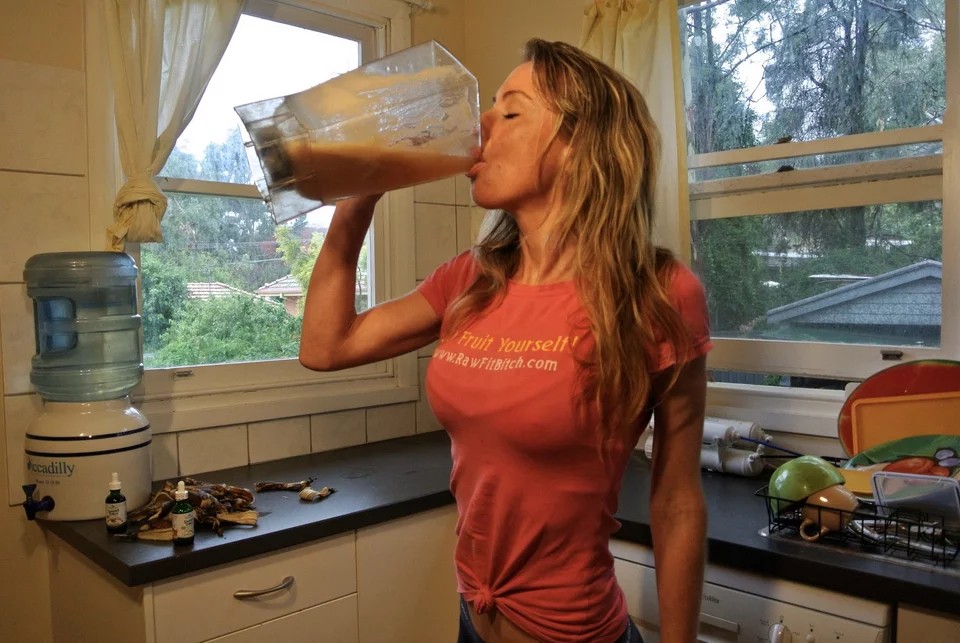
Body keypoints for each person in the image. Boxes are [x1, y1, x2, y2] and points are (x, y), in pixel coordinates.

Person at [299, 38, 712, 643]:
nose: (479, 125)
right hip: (473, 619)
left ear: (581, 144)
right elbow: (325, 347)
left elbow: (676, 501)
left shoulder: (659, 293)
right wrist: (361, 192)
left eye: (510, 110)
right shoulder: (472, 278)